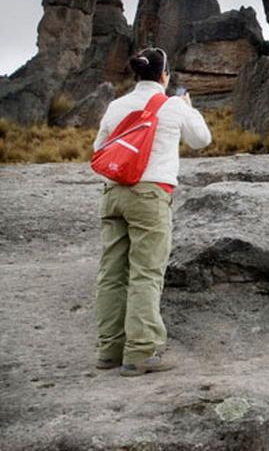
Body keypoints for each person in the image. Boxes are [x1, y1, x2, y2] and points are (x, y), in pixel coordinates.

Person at [93, 47, 212, 376]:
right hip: (150, 196)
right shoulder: (173, 105)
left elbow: (98, 149)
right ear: (164, 75)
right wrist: (189, 108)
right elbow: (201, 140)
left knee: (112, 273)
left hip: (113, 193)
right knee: (146, 273)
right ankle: (141, 352)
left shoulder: (116, 106)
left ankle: (109, 349)